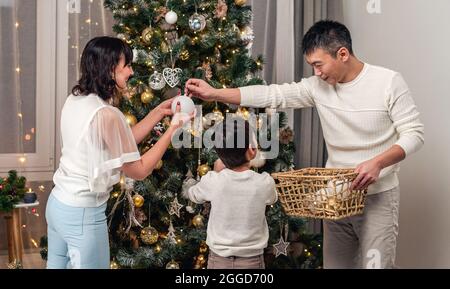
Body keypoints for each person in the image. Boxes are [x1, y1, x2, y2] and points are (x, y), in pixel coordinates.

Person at [185, 20, 425, 269]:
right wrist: (215, 94)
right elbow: (272, 95)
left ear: (342, 54)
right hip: (335, 196)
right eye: (312, 66)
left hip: (378, 197)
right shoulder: (317, 86)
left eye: (319, 65)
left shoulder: (388, 82)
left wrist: (377, 163)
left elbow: (414, 134)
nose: (316, 73)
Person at [46, 36, 187, 269]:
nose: (131, 71)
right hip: (82, 214)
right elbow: (139, 170)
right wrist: (173, 130)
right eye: (127, 65)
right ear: (111, 69)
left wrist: (157, 113)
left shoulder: (78, 99)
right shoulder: (107, 114)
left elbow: (119, 142)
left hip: (58, 205)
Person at [184, 117, 277, 269]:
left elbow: (193, 194)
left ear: (220, 155)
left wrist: (216, 171)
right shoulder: (264, 182)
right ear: (252, 150)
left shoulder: (213, 180)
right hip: (252, 261)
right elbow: (272, 198)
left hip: (218, 259)